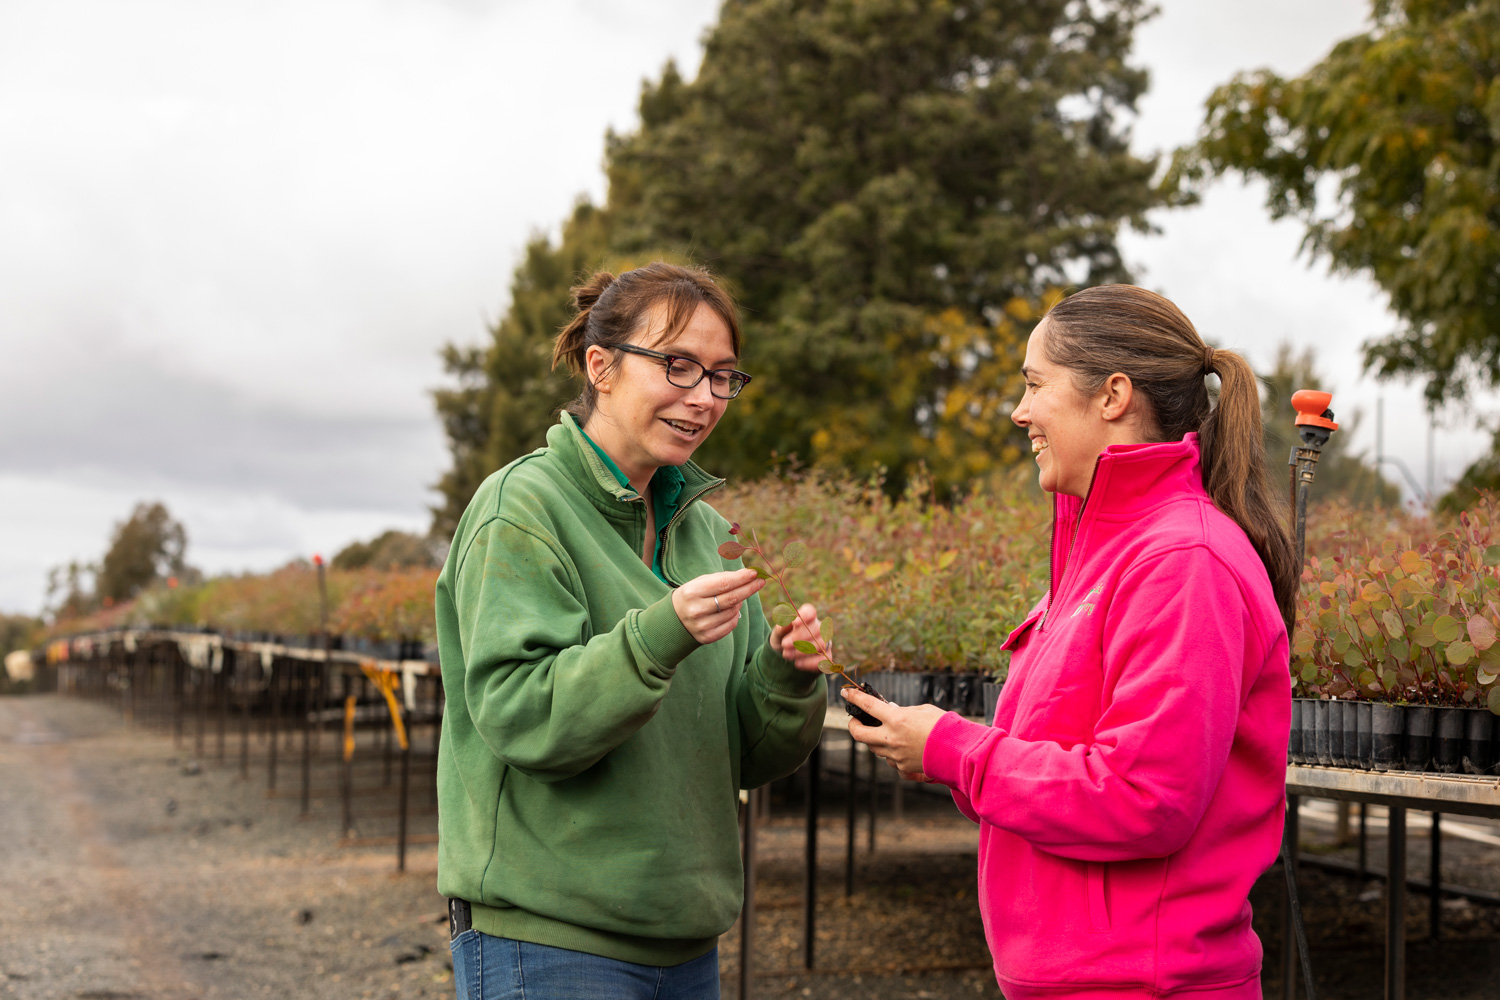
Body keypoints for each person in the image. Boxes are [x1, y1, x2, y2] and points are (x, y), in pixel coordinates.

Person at [846, 284, 1296, 1000]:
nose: (1019, 412)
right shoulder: (1104, 556)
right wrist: (940, 753)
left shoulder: (1184, 563)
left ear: (1112, 395)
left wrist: (955, 749)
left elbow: (1144, 797)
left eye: (1034, 384)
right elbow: (1052, 760)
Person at [434, 262, 828, 999]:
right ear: (601, 366)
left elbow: (745, 754)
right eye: (677, 366)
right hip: (548, 944)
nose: (704, 397)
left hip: (686, 945)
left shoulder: (707, 533)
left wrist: (788, 675)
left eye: (723, 377)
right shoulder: (522, 509)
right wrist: (658, 635)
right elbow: (523, 717)